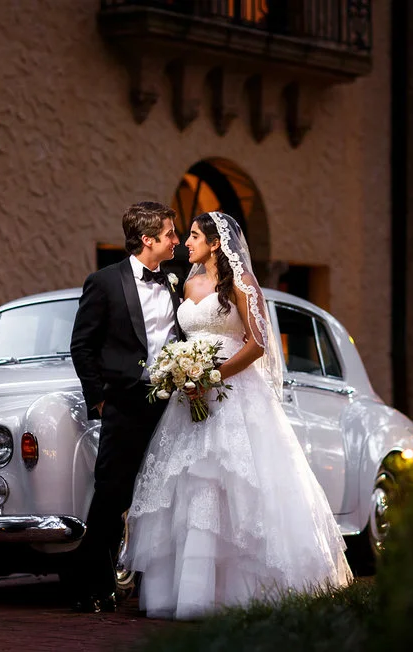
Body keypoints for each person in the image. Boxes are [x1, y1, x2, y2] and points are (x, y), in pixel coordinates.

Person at [122, 211, 353, 620]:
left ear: (214, 243)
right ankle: (186, 592)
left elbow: (258, 343)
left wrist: (212, 375)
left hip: (234, 394)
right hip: (188, 398)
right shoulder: (187, 283)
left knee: (233, 480)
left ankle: (240, 591)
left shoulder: (243, 284)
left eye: (192, 236)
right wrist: (181, 372)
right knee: (189, 483)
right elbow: (181, 337)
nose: (185, 242)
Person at [68, 201, 184, 613]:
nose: (176, 240)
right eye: (170, 234)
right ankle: (90, 586)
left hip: (172, 405)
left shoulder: (177, 279)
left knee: (167, 493)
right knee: (111, 495)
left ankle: (160, 589)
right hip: (125, 402)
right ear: (148, 239)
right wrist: (99, 396)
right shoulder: (103, 282)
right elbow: (81, 346)